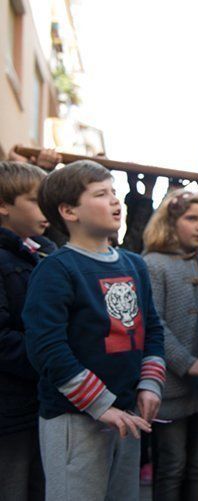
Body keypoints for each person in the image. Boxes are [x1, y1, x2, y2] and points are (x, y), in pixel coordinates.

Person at [23, 160, 165, 501]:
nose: (116, 201)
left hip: (127, 416)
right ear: (69, 210)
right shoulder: (56, 269)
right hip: (75, 419)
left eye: (115, 192)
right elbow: (47, 348)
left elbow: (153, 329)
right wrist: (101, 405)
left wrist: (150, 385)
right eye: (102, 194)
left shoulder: (134, 264)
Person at [142, 189, 198, 501]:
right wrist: (187, 362)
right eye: (191, 219)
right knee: (173, 464)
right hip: (173, 383)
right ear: (170, 223)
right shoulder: (154, 264)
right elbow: (154, 321)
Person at [0, 162, 56, 501]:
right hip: (10, 407)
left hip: (40, 399)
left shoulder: (44, 251)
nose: (45, 210)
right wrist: (50, 355)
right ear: (4, 205)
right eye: (36, 201)